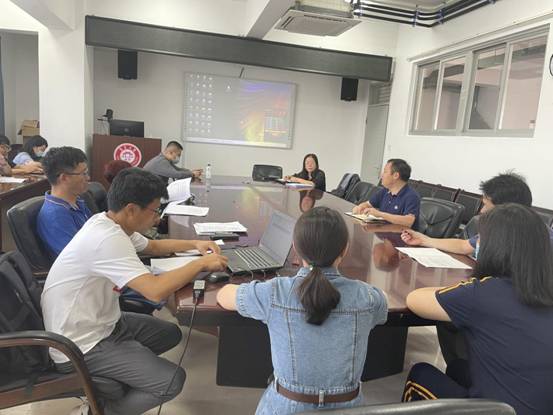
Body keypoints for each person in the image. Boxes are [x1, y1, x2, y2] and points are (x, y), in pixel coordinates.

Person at [41, 168, 228, 415]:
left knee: (170, 334)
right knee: (171, 380)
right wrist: (200, 264)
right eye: (154, 210)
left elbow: (153, 246)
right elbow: (155, 291)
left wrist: (195, 244)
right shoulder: (105, 239)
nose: (158, 218)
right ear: (131, 209)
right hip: (80, 344)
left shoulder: (110, 223)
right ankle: (102, 411)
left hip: (102, 322)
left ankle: (122, 371)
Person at [217, 206, 388, 415]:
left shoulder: (274, 293)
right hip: (349, 409)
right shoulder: (366, 298)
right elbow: (383, 303)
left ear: (295, 249)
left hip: (285, 408)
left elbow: (224, 295)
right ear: (345, 249)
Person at [402, 203, 553, 415]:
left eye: (481, 238)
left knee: (420, 374)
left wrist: (464, 289)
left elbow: (414, 299)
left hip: (501, 411)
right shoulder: (544, 289)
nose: (477, 244)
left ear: (496, 247)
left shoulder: (483, 293)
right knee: (457, 368)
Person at [400, 172, 550, 258]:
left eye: (487, 205)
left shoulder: (541, 239)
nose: (482, 211)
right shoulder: (499, 227)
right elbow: (464, 246)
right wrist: (423, 240)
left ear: (508, 209)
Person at [36, 147, 92, 257]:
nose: (88, 177)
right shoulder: (55, 216)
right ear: (64, 178)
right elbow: (77, 257)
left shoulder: (77, 201)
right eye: (84, 173)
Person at [353, 158, 420, 229]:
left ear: (396, 175)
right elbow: (368, 204)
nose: (381, 176)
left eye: (385, 172)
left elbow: (408, 221)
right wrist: (360, 207)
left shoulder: (412, 196)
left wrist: (380, 214)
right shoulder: (385, 191)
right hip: (382, 231)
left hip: (400, 234)